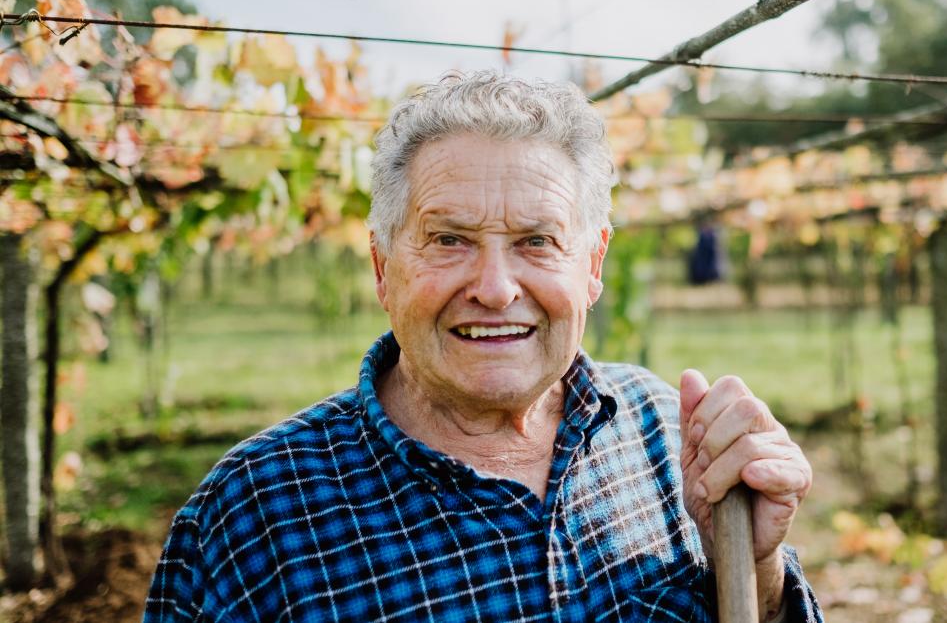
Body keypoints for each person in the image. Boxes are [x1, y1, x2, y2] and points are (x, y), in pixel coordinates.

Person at [144, 71, 821, 622]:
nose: (496, 288)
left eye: (537, 241)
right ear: (383, 269)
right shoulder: (251, 517)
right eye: (448, 240)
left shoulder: (670, 437)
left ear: (592, 266)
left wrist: (755, 569)